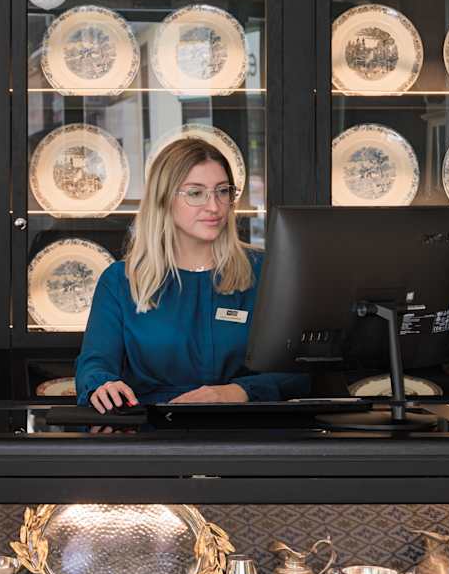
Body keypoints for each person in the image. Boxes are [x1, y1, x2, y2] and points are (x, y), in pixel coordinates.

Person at [75, 137, 307, 413]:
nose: (214, 207)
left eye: (222, 191)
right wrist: (102, 385)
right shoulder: (120, 281)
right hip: (152, 428)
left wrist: (236, 392)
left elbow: (299, 372)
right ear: (163, 200)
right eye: (196, 193)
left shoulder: (265, 272)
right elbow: (94, 365)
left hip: (247, 426)